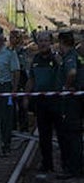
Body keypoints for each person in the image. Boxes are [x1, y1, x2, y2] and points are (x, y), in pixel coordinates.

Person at [26, 31, 60, 173]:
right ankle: (47, 164)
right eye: (40, 41)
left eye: (46, 41)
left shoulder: (57, 59)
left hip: (57, 102)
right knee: (44, 136)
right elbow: (31, 79)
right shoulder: (35, 60)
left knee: (62, 134)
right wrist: (26, 97)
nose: (43, 44)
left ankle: (68, 163)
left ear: (51, 42)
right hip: (41, 102)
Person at [0, 28, 20, 157]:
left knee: (6, 119)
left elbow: (16, 71)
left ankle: (6, 145)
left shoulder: (9, 53)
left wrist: (14, 89)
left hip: (5, 86)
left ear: (1, 38)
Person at [55, 31, 82, 178]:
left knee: (71, 135)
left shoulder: (70, 57)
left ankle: (73, 168)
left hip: (71, 102)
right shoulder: (70, 56)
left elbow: (72, 72)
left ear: (62, 43)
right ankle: (74, 166)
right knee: (73, 134)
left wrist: (66, 87)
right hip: (73, 100)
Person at [11, 29, 31, 132]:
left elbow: (25, 67)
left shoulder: (23, 51)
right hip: (12, 80)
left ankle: (24, 128)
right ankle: (13, 127)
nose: (10, 40)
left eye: (13, 37)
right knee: (12, 107)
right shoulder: (10, 50)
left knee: (22, 107)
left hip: (22, 80)